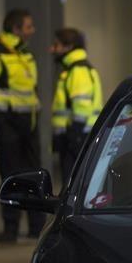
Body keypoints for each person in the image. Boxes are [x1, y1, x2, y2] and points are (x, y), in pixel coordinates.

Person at [0, 9, 45, 242]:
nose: (32, 30)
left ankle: (37, 227)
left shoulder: (25, 54)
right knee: (10, 178)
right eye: (28, 26)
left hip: (29, 125)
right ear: (16, 29)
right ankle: (11, 229)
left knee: (35, 177)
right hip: (8, 126)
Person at [50, 28, 102, 185]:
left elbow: (82, 106)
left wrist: (74, 134)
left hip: (78, 136)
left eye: (56, 45)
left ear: (69, 46)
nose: (52, 49)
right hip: (77, 135)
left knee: (74, 184)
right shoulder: (74, 69)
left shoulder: (78, 71)